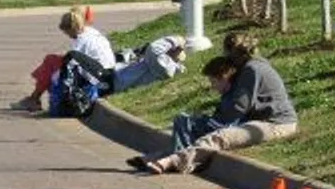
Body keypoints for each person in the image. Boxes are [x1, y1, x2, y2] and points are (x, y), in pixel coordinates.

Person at [127, 41, 296, 175]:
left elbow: (238, 108)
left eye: (227, 53)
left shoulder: (253, 69)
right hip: (256, 120)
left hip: (276, 123)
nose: (225, 56)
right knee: (190, 125)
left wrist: (212, 124)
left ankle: (173, 162)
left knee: (219, 137)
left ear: (235, 53)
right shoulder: (245, 70)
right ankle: (162, 157)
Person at [16, 7, 113, 112]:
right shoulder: (92, 32)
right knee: (51, 60)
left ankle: (34, 99)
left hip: (95, 76)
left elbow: (71, 62)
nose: (67, 35)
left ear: (71, 29)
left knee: (50, 63)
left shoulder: (81, 41)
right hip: (107, 71)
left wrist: (51, 77)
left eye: (67, 32)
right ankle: (34, 97)